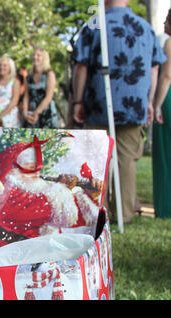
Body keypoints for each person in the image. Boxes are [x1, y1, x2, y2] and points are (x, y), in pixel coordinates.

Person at [72, 0, 167, 224]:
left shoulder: (95, 24)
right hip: (134, 104)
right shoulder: (145, 27)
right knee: (126, 160)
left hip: (99, 103)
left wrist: (78, 100)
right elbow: (154, 67)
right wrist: (149, 101)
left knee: (95, 159)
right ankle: (124, 214)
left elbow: (81, 66)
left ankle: (96, 214)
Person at [0, 136, 101, 258]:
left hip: (22, 256)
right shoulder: (3, 196)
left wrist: (90, 195)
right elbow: (46, 209)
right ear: (12, 170)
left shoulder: (31, 192)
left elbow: (75, 217)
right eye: (30, 168)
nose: (36, 173)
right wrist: (63, 188)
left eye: (37, 168)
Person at [152, 9, 171, 219]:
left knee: (165, 154)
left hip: (169, 99)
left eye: (167, 19)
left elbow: (166, 76)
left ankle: (166, 207)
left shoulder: (169, 43)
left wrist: (157, 105)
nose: (164, 23)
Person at [23, 48, 58, 128]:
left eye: (38, 55)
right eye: (34, 55)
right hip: (31, 113)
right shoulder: (28, 77)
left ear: (44, 58)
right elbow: (26, 96)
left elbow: (49, 96)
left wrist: (37, 112)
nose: (35, 57)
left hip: (46, 112)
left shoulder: (49, 74)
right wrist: (25, 113)